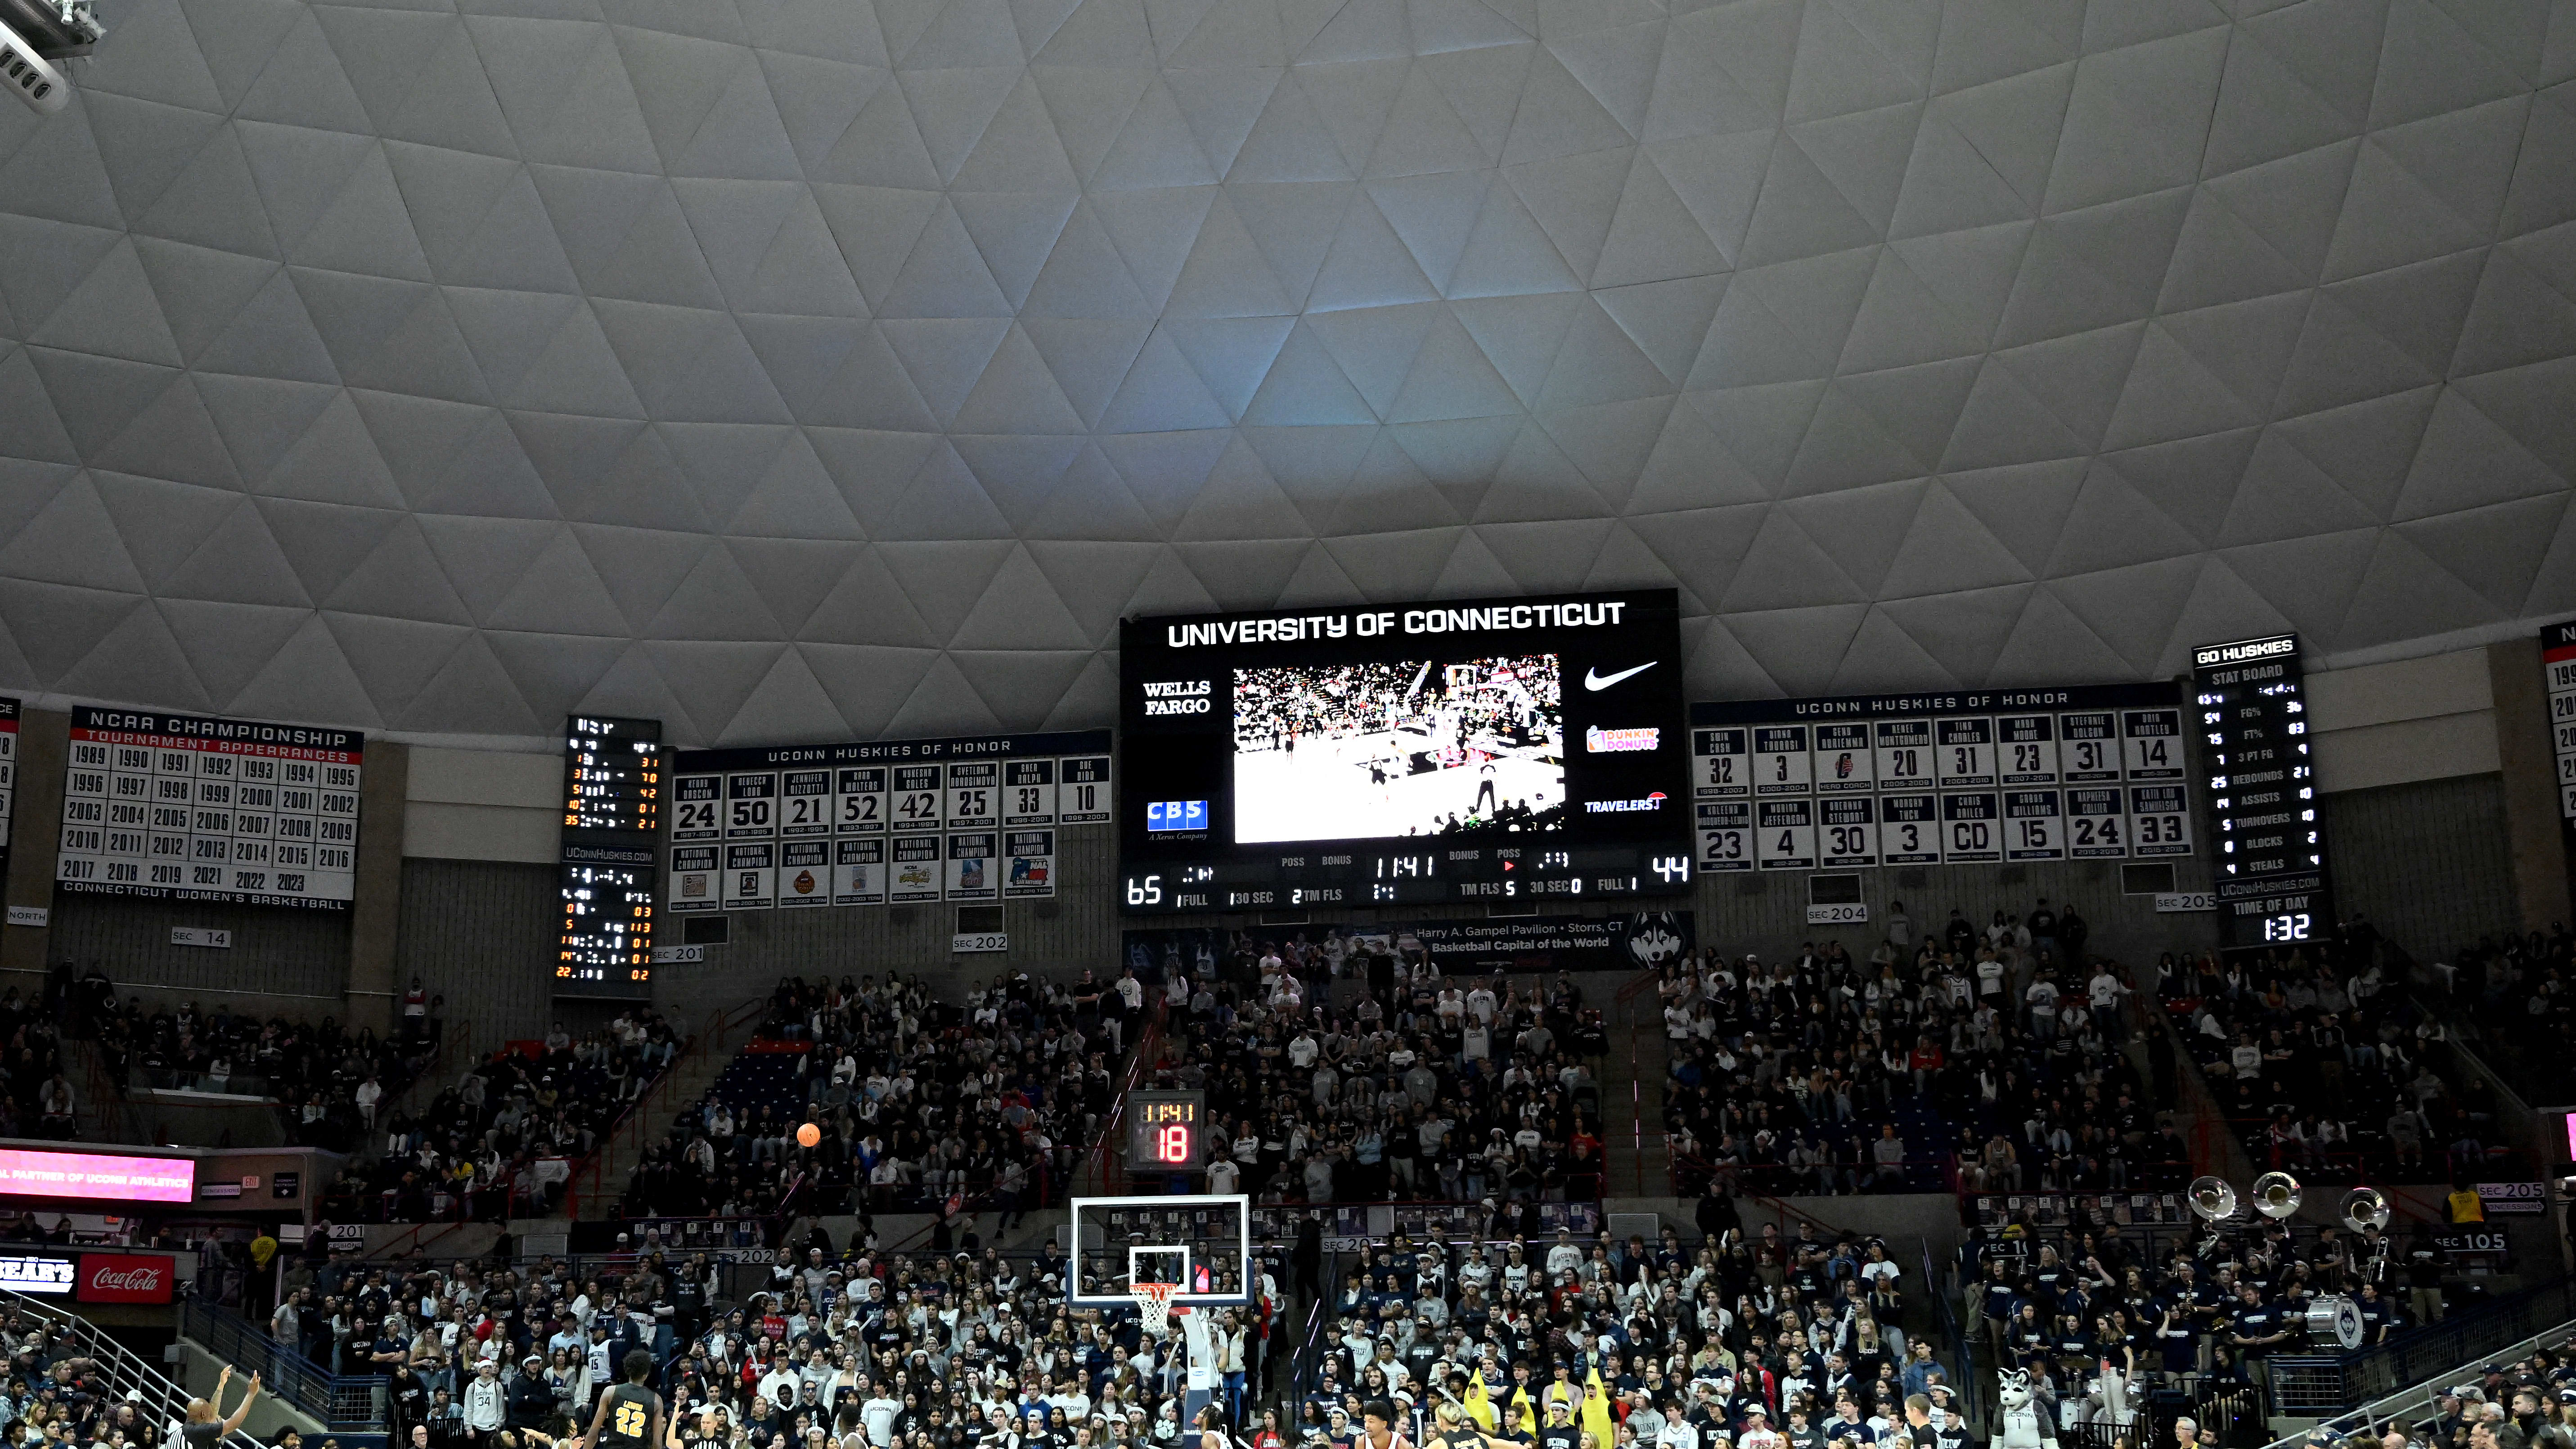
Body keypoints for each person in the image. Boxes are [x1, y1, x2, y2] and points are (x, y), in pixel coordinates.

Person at [579, 1351, 662, 1449]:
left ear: (627, 1370)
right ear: (647, 1374)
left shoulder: (610, 1392)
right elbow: (657, 1443)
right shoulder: (656, 1400)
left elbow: (593, 1434)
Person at [184, 1366, 263, 1448]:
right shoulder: (198, 1433)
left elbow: (213, 1410)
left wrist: (221, 1385)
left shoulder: (184, 1430)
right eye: (217, 1421)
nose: (217, 1421)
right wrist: (251, 1394)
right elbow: (232, 1424)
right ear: (203, 1415)